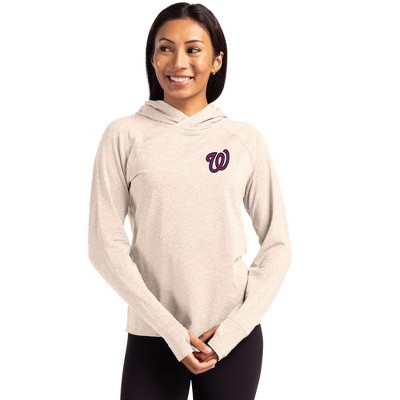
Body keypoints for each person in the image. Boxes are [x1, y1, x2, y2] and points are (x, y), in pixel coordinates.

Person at [87, 2, 292, 399]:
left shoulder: (243, 139)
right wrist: (171, 332)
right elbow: (104, 245)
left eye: (193, 49)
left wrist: (234, 329)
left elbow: (278, 244)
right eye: (165, 48)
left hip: (230, 339)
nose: (178, 61)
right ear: (152, 58)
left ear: (217, 61)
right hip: (153, 335)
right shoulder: (124, 135)